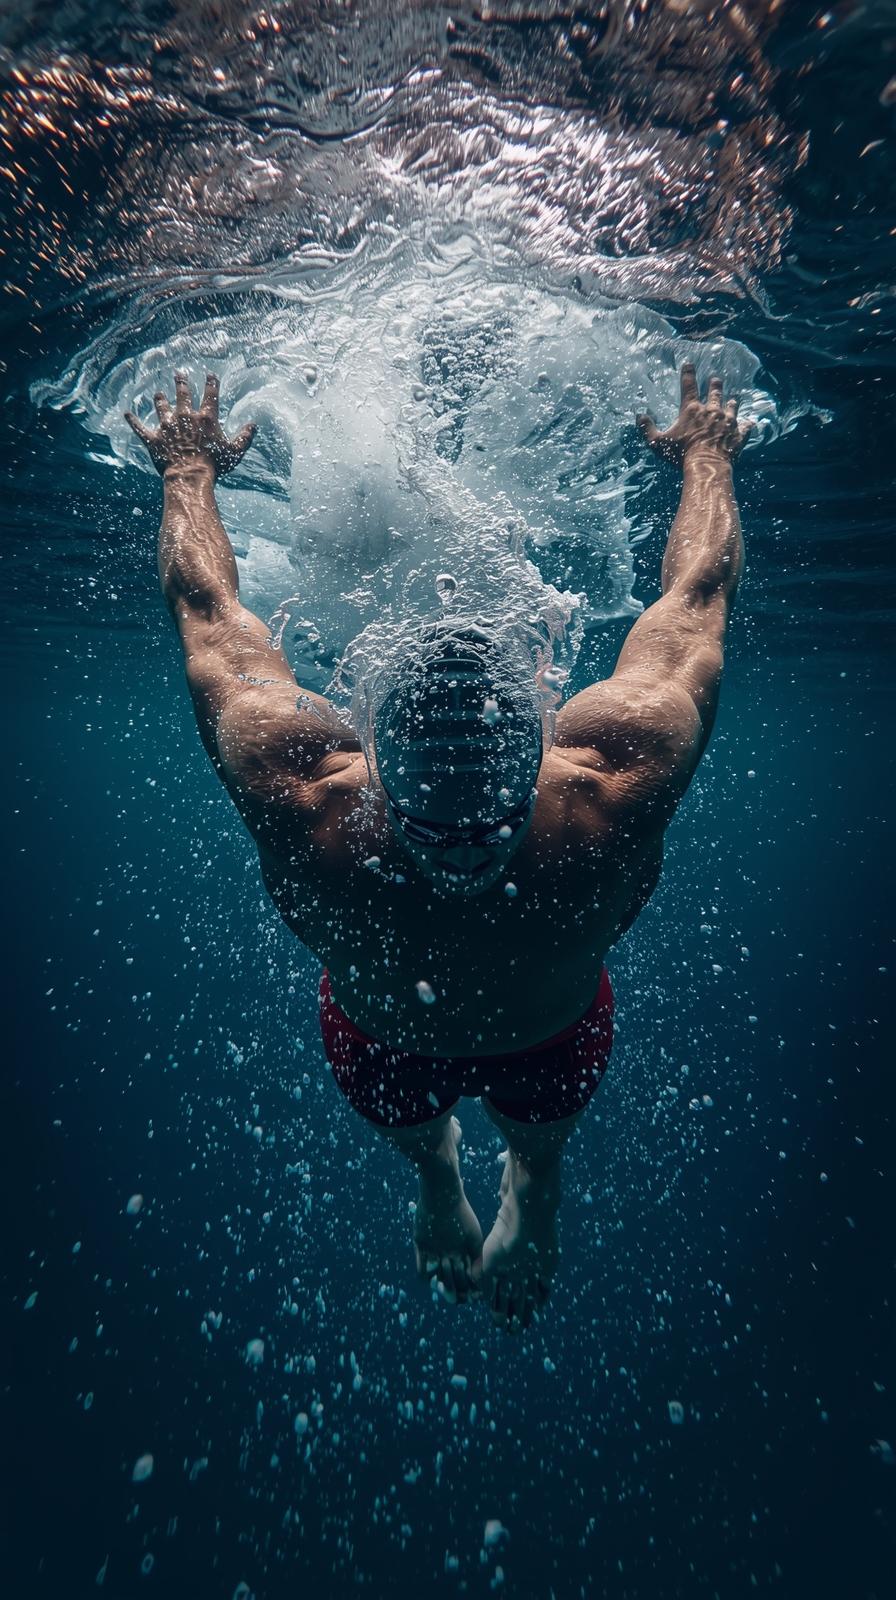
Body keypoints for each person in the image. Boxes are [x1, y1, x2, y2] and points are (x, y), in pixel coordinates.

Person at [125, 361, 752, 1331]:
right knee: (485, 1146)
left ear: (365, 741)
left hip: (412, 1035)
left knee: (484, 1148)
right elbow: (696, 599)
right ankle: (476, 1183)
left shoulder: (307, 799)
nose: (465, 864)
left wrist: (188, 473)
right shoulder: (609, 785)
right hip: (511, 1034)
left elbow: (210, 622)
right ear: (546, 719)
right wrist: (706, 456)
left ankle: (487, 1188)